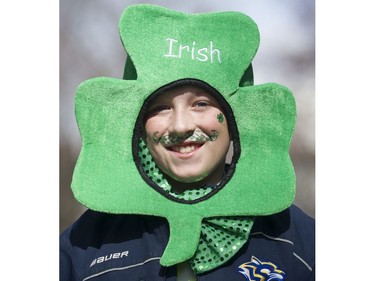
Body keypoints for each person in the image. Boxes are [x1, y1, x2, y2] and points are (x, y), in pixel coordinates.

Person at [60, 4, 315, 281]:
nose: (181, 126)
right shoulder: (83, 247)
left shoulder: (297, 242)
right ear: (137, 123)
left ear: (234, 118)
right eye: (160, 108)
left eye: (201, 104)